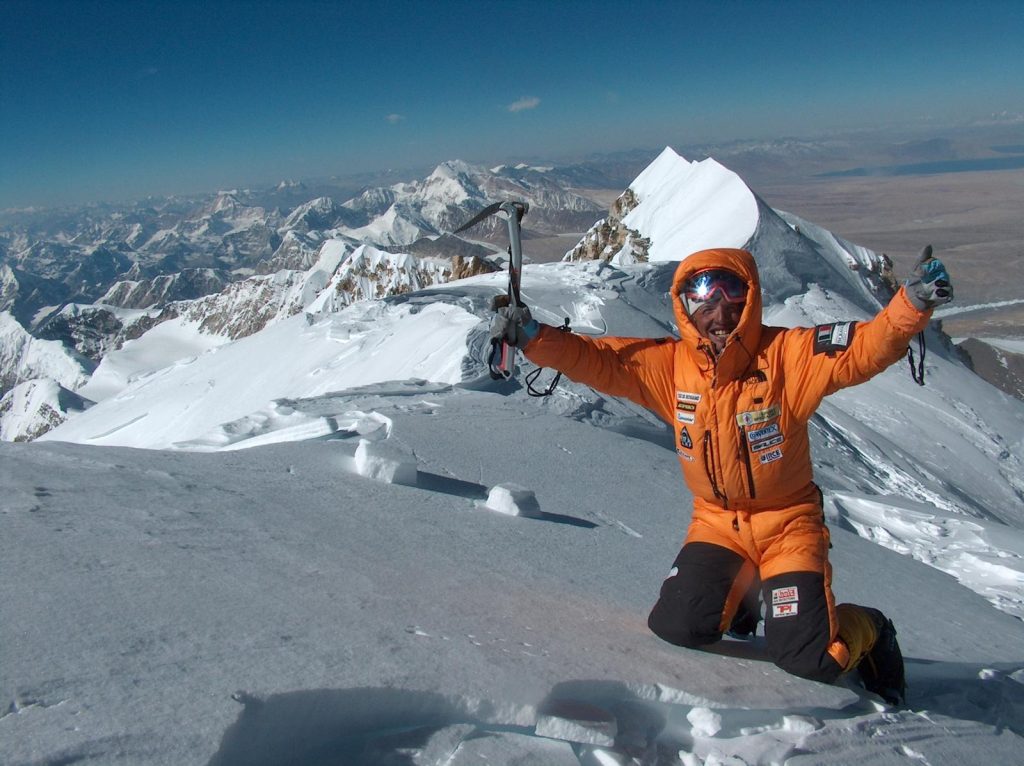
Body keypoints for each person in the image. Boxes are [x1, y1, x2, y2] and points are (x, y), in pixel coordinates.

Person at [490, 245, 953, 704]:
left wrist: (911, 305)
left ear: (749, 299)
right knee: (677, 626)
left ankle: (873, 629)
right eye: (703, 299)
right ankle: (744, 594)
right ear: (686, 306)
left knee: (809, 657)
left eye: (731, 295)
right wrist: (532, 336)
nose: (719, 313)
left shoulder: (787, 356)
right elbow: (600, 360)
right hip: (717, 523)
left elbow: (864, 347)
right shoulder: (673, 367)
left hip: (788, 525)